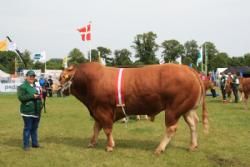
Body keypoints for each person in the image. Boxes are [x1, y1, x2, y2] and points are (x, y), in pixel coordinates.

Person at [17, 70, 43, 151]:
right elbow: (21, 98)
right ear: (26, 77)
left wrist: (42, 94)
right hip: (27, 111)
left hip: (37, 110)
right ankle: (26, 145)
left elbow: (39, 95)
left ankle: (35, 143)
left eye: (33, 76)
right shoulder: (22, 86)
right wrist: (32, 96)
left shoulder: (36, 85)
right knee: (28, 128)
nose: (32, 78)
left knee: (35, 128)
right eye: (30, 76)